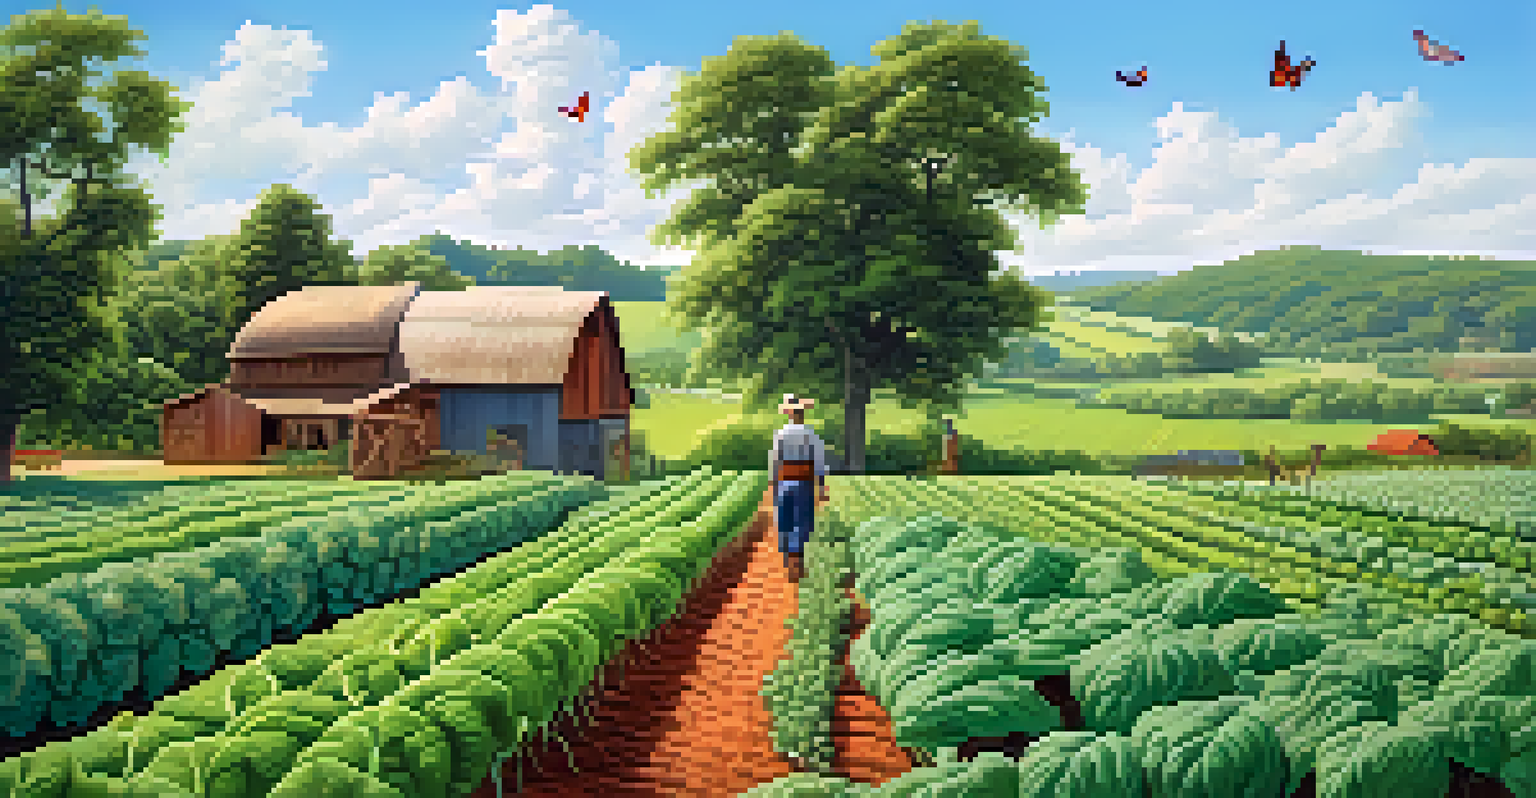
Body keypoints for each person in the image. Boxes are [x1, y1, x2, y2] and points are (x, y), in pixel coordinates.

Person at [770, 393, 828, 583]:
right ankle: (797, 561)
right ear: (802, 414)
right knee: (801, 520)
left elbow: (775, 461)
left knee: (784, 518)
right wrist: (821, 486)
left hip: (784, 481)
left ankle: (788, 558)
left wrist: (773, 484)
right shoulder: (810, 434)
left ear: (789, 414)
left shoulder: (781, 434)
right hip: (804, 482)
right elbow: (819, 462)